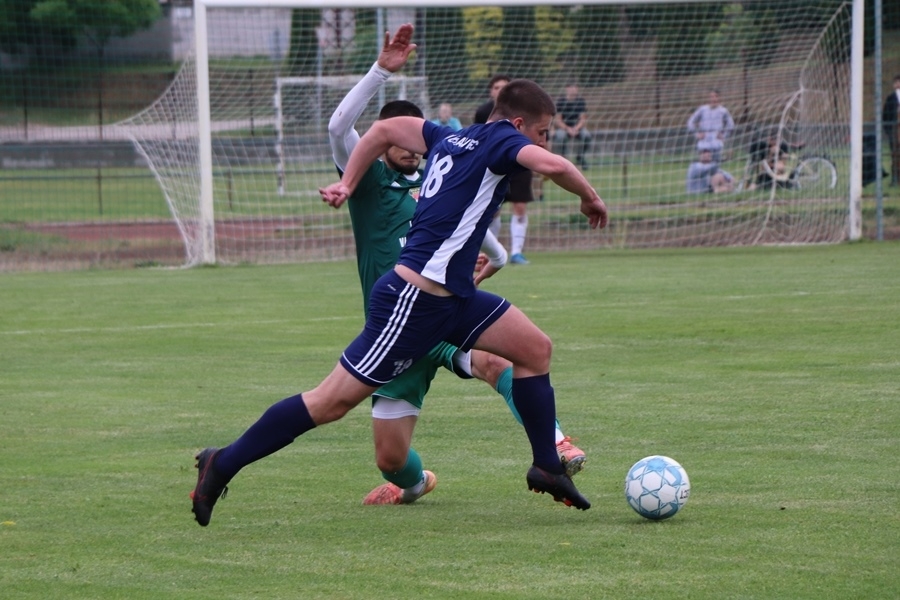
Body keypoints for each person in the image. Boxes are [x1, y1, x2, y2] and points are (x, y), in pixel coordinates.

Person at [190, 44, 607, 527]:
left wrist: (347, 182)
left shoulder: (451, 139)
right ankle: (221, 463)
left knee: (534, 349)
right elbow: (554, 167)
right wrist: (592, 199)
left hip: (454, 300)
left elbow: (387, 129)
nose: (545, 145)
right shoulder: (500, 142)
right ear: (517, 126)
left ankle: (546, 465)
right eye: (543, 134)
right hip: (412, 302)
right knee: (330, 402)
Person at [328, 25, 585, 505]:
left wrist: (495, 263)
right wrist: (381, 71)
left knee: (498, 360)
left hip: (444, 312)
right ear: (382, 145)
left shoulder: (438, 180)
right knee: (390, 458)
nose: (410, 147)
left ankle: (555, 445)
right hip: (397, 325)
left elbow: (491, 243)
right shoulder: (365, 184)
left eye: (415, 138)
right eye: (398, 138)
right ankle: (414, 484)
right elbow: (339, 128)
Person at [475, 75, 533, 265]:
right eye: (496, 87)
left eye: (504, 87)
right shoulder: (483, 112)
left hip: (520, 163)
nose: (500, 90)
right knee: (492, 211)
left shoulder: (524, 110)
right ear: (491, 91)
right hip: (494, 166)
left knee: (520, 207)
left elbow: (535, 134)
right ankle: (491, 252)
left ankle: (516, 253)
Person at [686, 89, 735, 164]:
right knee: (704, 166)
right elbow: (690, 122)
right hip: (704, 143)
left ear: (719, 98)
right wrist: (697, 134)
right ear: (708, 98)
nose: (713, 99)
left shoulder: (723, 111)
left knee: (715, 166)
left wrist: (724, 135)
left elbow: (731, 125)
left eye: (716, 96)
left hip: (716, 143)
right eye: (711, 97)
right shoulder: (702, 109)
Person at [553, 81, 591, 170]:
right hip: (564, 128)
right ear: (567, 89)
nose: (573, 89)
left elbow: (583, 118)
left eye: (575, 87)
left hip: (577, 128)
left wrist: (576, 128)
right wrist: (567, 128)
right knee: (560, 136)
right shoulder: (561, 102)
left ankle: (580, 157)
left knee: (587, 135)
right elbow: (558, 120)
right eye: (570, 87)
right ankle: (564, 159)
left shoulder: (581, 101)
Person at [882, 74, 900, 186]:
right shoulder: (890, 98)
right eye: (896, 82)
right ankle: (895, 179)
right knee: (894, 155)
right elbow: (885, 116)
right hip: (894, 130)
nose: (897, 84)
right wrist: (889, 131)